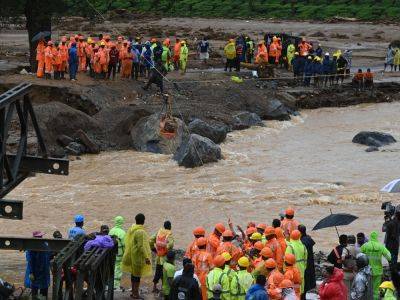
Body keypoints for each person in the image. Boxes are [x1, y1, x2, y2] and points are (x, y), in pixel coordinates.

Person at [121, 213, 152, 299]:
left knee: (133, 275)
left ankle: (133, 292)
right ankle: (135, 294)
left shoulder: (132, 228)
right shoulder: (140, 231)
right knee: (137, 276)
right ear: (143, 221)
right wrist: (146, 257)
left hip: (132, 254)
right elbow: (141, 246)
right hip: (137, 257)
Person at [361, 231, 391, 299]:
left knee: (367, 288)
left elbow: (359, 255)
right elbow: (389, 256)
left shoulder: (365, 245)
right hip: (378, 271)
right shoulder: (380, 246)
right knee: (376, 289)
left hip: (367, 271)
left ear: (370, 237)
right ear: (376, 237)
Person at [24, 231, 51, 299]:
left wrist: (31, 272)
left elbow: (29, 259)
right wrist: (31, 272)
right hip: (39, 270)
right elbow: (30, 260)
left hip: (40, 270)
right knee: (39, 288)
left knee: (38, 288)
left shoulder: (31, 247)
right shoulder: (45, 245)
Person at [150, 220, 174, 293]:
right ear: (170, 227)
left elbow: (150, 240)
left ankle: (154, 287)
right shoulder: (169, 235)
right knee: (165, 274)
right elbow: (170, 245)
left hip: (158, 257)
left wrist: (153, 248)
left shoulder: (159, 232)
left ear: (164, 226)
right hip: (165, 258)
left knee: (157, 271)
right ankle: (164, 289)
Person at [285, 230, 307, 296]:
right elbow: (306, 259)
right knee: (300, 286)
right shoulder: (303, 246)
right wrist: (303, 268)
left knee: (292, 287)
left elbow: (286, 260)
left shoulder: (290, 247)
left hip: (292, 269)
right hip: (302, 269)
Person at [298, 225, 316, 298]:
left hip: (305, 263)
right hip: (310, 262)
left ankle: (303, 297)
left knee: (304, 283)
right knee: (308, 282)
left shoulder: (302, 241)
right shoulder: (308, 238)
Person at [109, 216, 126, 290]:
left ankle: (109, 284)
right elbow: (124, 244)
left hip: (111, 253)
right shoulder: (123, 232)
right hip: (119, 254)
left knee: (111, 268)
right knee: (118, 269)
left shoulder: (111, 231)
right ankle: (116, 286)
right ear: (122, 222)